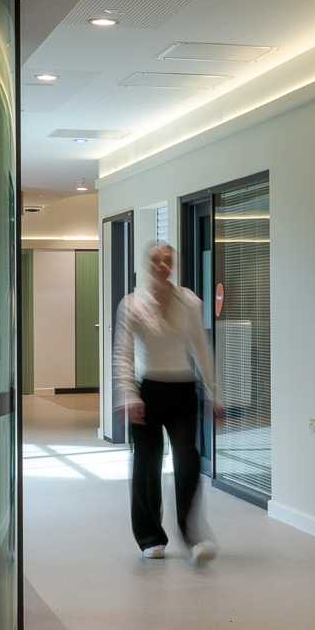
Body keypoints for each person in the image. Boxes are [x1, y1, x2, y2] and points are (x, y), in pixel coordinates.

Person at [113, 241, 222, 563]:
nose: (162, 265)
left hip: (184, 391)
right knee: (146, 464)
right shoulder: (132, 304)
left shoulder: (189, 302)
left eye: (167, 260)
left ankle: (194, 537)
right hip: (148, 392)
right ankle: (151, 538)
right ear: (148, 265)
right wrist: (128, 395)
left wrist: (213, 394)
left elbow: (202, 349)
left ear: (173, 265)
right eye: (156, 260)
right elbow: (122, 354)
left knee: (187, 461)